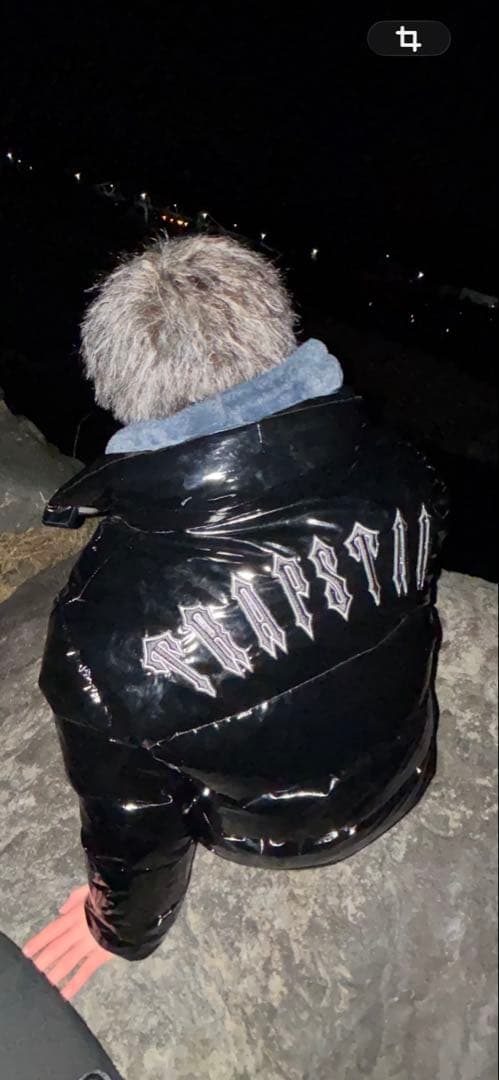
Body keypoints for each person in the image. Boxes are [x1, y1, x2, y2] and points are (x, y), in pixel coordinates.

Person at [24, 235, 449, 997]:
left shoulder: (102, 631)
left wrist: (119, 930)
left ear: (114, 384)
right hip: (409, 766)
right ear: (275, 329)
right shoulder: (403, 469)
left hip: (274, 837)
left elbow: (134, 819)